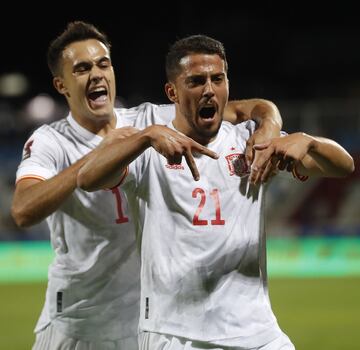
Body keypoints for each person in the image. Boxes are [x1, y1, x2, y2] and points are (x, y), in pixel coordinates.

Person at [11, 22, 284, 350]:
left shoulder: (149, 118)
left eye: (103, 63)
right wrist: (109, 152)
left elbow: (245, 109)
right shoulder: (50, 142)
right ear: (62, 84)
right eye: (82, 69)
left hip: (143, 326)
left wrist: (270, 123)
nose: (97, 74)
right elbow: (24, 210)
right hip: (78, 322)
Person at [77, 34, 354, 350]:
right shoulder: (151, 148)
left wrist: (309, 141)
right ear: (173, 92)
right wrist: (144, 138)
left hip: (258, 332)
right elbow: (87, 178)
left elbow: (342, 166)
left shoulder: (253, 142)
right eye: (195, 81)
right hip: (177, 334)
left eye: (217, 79)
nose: (209, 89)